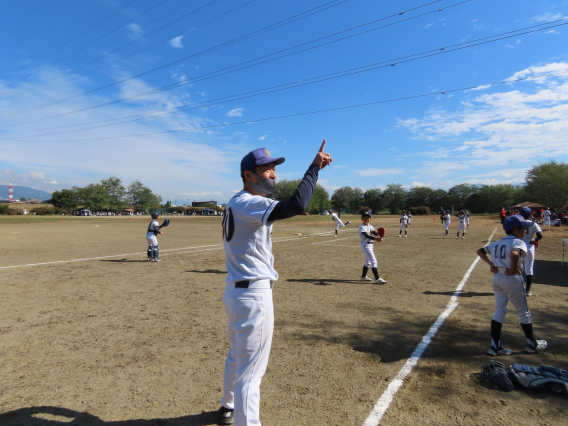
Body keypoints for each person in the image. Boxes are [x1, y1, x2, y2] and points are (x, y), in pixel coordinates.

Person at [218, 141, 332, 426]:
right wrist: (314, 167)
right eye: (266, 169)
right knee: (252, 372)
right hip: (253, 295)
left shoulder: (236, 201)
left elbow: (284, 209)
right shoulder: (249, 202)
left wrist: (288, 209)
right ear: (248, 175)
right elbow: (297, 203)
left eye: (273, 168)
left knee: (238, 356)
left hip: (236, 293)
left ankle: (227, 404)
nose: (273, 174)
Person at [476, 215, 547, 355]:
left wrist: (491, 265)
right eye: (523, 228)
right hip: (511, 278)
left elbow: (480, 251)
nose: (525, 231)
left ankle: (495, 346)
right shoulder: (518, 242)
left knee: (499, 310)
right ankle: (531, 343)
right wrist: (514, 267)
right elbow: (515, 253)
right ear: (515, 230)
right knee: (523, 311)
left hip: (497, 278)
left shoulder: (497, 243)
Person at [519, 207, 543, 296]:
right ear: (530, 214)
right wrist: (535, 239)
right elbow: (540, 236)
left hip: (519, 246)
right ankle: (527, 290)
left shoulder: (518, 223)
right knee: (529, 270)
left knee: (517, 268)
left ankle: (517, 288)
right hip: (530, 246)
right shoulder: (534, 224)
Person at [359, 210, 387, 283]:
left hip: (370, 245)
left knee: (368, 262)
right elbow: (366, 235)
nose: (367, 219)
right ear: (362, 219)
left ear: (370, 219)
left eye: (368, 218)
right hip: (366, 245)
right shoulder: (362, 227)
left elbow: (374, 232)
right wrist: (376, 239)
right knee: (373, 261)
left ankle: (363, 277)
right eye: (365, 217)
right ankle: (377, 279)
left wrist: (380, 234)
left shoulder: (370, 226)